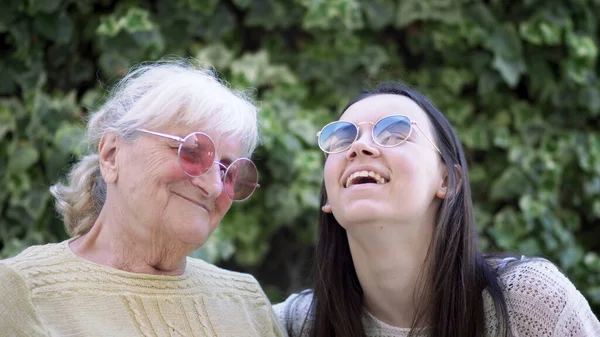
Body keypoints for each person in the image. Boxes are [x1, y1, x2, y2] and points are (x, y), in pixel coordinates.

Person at [273, 82, 600, 337]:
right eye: (340, 139)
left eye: (396, 132)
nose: (359, 146)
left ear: (449, 179)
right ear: (328, 197)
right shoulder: (298, 325)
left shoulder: (529, 303)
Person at [0, 60, 284, 336]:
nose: (213, 187)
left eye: (228, 171)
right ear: (112, 155)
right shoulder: (24, 291)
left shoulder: (247, 303)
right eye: (192, 151)